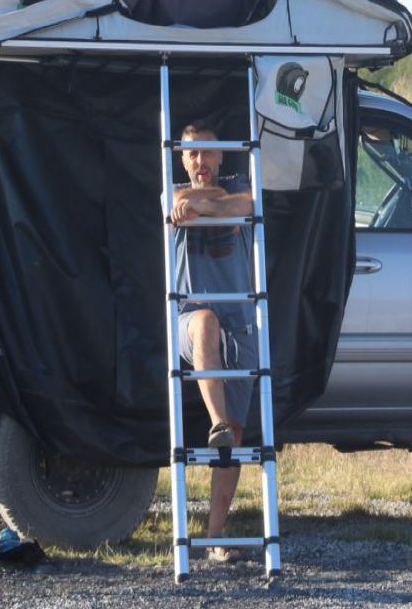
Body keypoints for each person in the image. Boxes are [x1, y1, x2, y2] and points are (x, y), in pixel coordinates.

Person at [171, 119, 257, 563]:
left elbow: (248, 202)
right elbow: (177, 203)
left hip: (241, 322)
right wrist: (218, 208)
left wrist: (211, 205)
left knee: (238, 439)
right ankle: (216, 421)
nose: (200, 162)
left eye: (208, 153)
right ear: (181, 158)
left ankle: (214, 537)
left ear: (222, 155)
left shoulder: (240, 182)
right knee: (204, 320)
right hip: (190, 319)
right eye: (192, 154)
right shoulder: (172, 191)